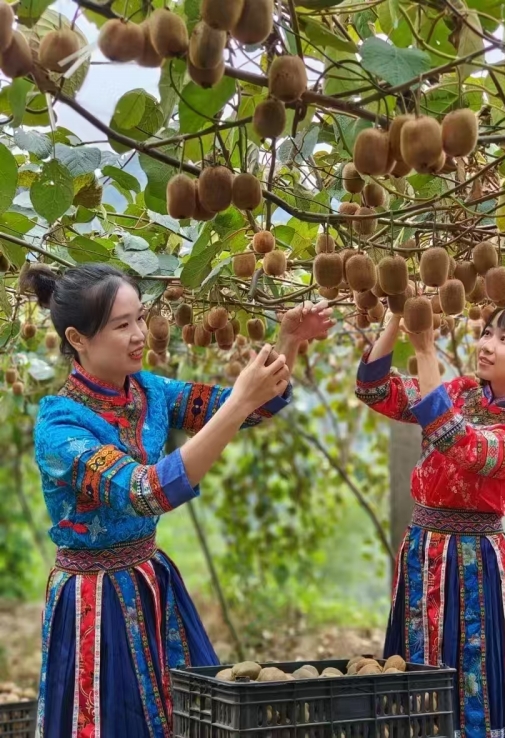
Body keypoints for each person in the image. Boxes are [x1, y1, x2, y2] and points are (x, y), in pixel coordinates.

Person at [25, 263, 335, 738]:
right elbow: (146, 492)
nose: (139, 335)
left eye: (139, 319)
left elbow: (253, 407)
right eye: (121, 325)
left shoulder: (149, 391)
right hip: (94, 598)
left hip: (152, 578)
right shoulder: (60, 429)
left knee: (184, 719)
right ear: (78, 338)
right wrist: (237, 405)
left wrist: (287, 340)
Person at [355, 301, 505, 738]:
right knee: (418, 662)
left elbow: (459, 440)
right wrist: (398, 315)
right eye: (487, 332)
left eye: (504, 339)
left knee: (476, 666)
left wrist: (427, 351)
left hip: (476, 559)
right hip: (421, 549)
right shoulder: (459, 391)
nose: (486, 345)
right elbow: (374, 390)